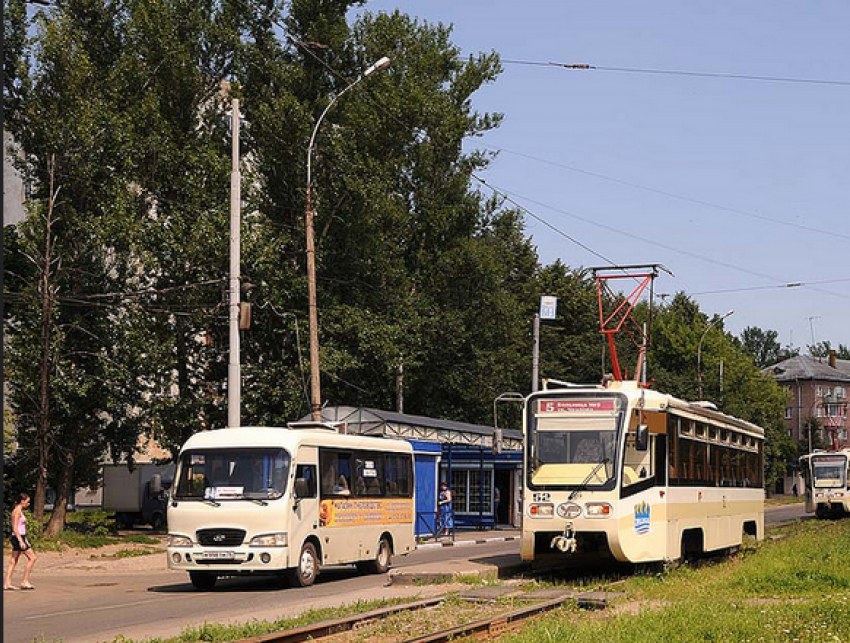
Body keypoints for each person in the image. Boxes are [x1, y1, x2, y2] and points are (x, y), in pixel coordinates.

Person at [5, 493, 37, 590]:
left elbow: (21, 528)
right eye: (27, 501)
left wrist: (25, 539)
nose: (28, 504)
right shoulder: (17, 512)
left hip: (21, 537)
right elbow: (15, 528)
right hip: (18, 537)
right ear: (22, 501)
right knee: (33, 558)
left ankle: (7, 583)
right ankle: (24, 581)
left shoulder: (19, 511)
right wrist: (21, 541)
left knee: (13, 560)